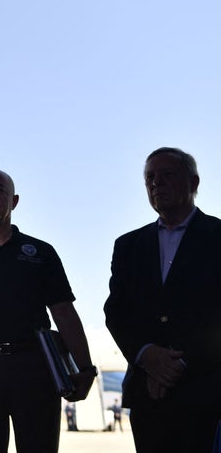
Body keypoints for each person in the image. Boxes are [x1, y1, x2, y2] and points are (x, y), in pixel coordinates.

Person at [0, 169, 96, 453]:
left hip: (35, 368)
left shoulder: (41, 253)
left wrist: (86, 368)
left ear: (15, 200)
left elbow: (64, 313)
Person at [104, 147, 221, 452]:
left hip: (207, 389)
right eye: (150, 178)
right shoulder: (128, 245)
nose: (157, 183)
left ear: (193, 183)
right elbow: (117, 311)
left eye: (167, 175)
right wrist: (146, 355)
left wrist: (179, 363)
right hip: (147, 394)